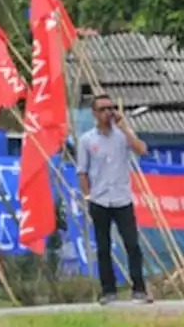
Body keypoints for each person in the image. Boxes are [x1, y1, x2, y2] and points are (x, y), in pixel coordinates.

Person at [76, 94, 151, 305]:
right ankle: (108, 291)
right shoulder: (87, 140)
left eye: (110, 108)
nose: (108, 112)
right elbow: (82, 171)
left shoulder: (122, 135)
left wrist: (124, 127)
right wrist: (87, 196)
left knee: (132, 244)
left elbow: (142, 150)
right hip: (99, 200)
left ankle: (139, 289)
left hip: (122, 198)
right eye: (103, 109)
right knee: (103, 247)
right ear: (94, 114)